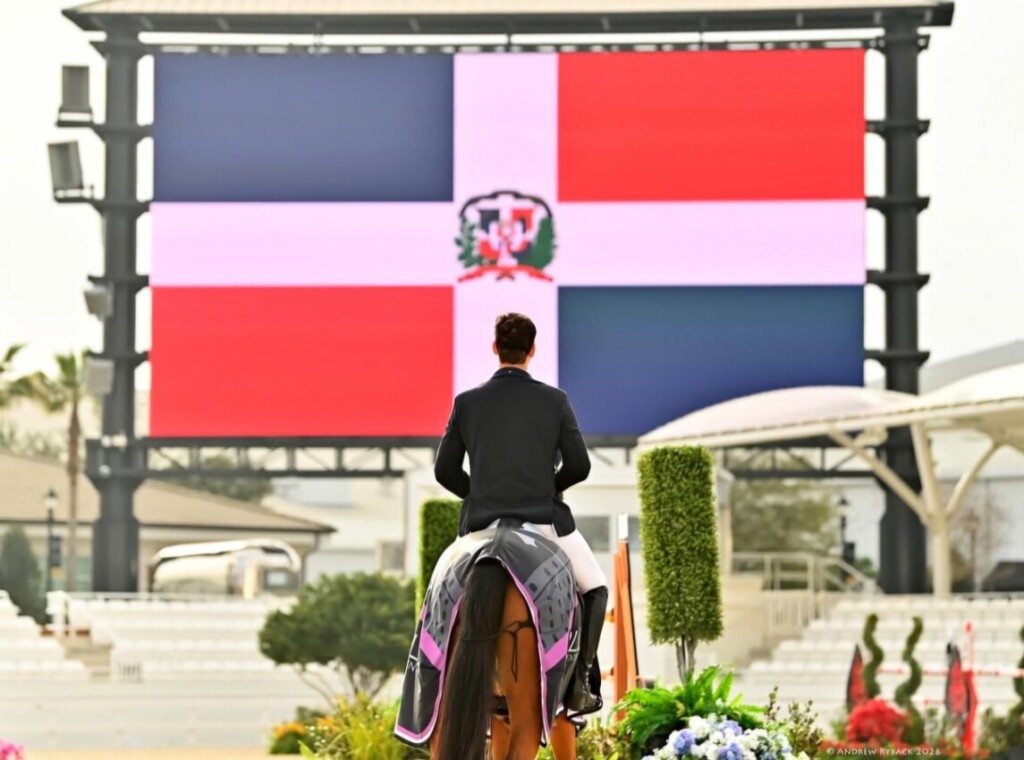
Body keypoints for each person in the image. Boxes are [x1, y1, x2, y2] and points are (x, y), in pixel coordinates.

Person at [433, 312, 608, 714]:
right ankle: (580, 684)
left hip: (481, 527)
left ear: (495, 348)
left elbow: (444, 471)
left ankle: (430, 684)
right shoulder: (554, 401)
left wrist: (480, 497)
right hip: (543, 522)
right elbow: (580, 466)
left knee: (439, 590)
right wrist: (546, 490)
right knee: (596, 588)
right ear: (532, 351)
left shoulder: (467, 403)